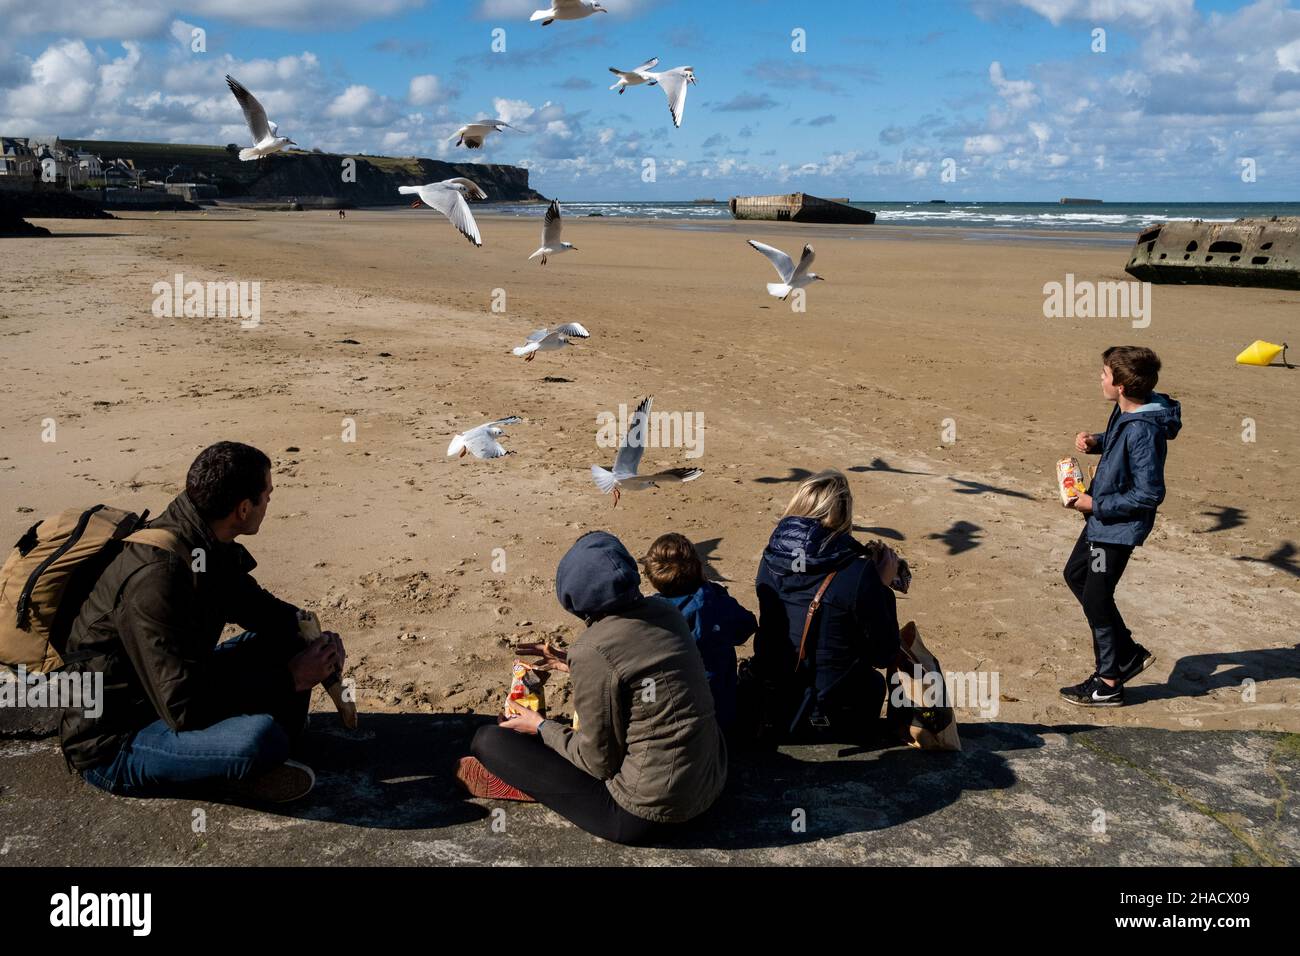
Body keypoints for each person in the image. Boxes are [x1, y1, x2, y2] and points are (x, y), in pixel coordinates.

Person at [59, 441, 345, 803]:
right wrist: (290, 678)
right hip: (117, 740)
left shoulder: (203, 542)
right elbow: (183, 707)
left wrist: (315, 639)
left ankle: (234, 757)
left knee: (292, 638)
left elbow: (263, 611)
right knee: (259, 739)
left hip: (171, 688)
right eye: (267, 494)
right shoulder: (155, 578)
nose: (270, 501)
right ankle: (231, 768)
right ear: (243, 508)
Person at [457, 531, 727, 845]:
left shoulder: (593, 649)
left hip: (645, 814)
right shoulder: (666, 611)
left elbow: (598, 761)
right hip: (709, 782)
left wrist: (541, 727)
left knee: (488, 740)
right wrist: (568, 663)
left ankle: (533, 784)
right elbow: (638, 671)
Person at [1060, 346, 1181, 707]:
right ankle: (1127, 653)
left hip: (1115, 528)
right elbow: (1122, 442)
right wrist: (1098, 441)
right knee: (1076, 574)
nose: (1100, 377)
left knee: (1096, 597)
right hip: (1101, 522)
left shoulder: (1145, 429)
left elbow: (1149, 493)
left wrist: (1096, 503)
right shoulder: (1131, 409)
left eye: (1105, 374)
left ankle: (1109, 681)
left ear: (1122, 387)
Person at [751, 469, 901, 742]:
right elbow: (884, 653)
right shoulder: (857, 573)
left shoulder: (770, 559)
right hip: (828, 713)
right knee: (873, 684)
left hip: (772, 704)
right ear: (843, 515)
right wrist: (880, 588)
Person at [640, 532, 756, 731]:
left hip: (670, 713)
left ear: (652, 578)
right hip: (718, 714)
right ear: (700, 568)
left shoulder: (646, 616)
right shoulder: (717, 604)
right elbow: (746, 626)